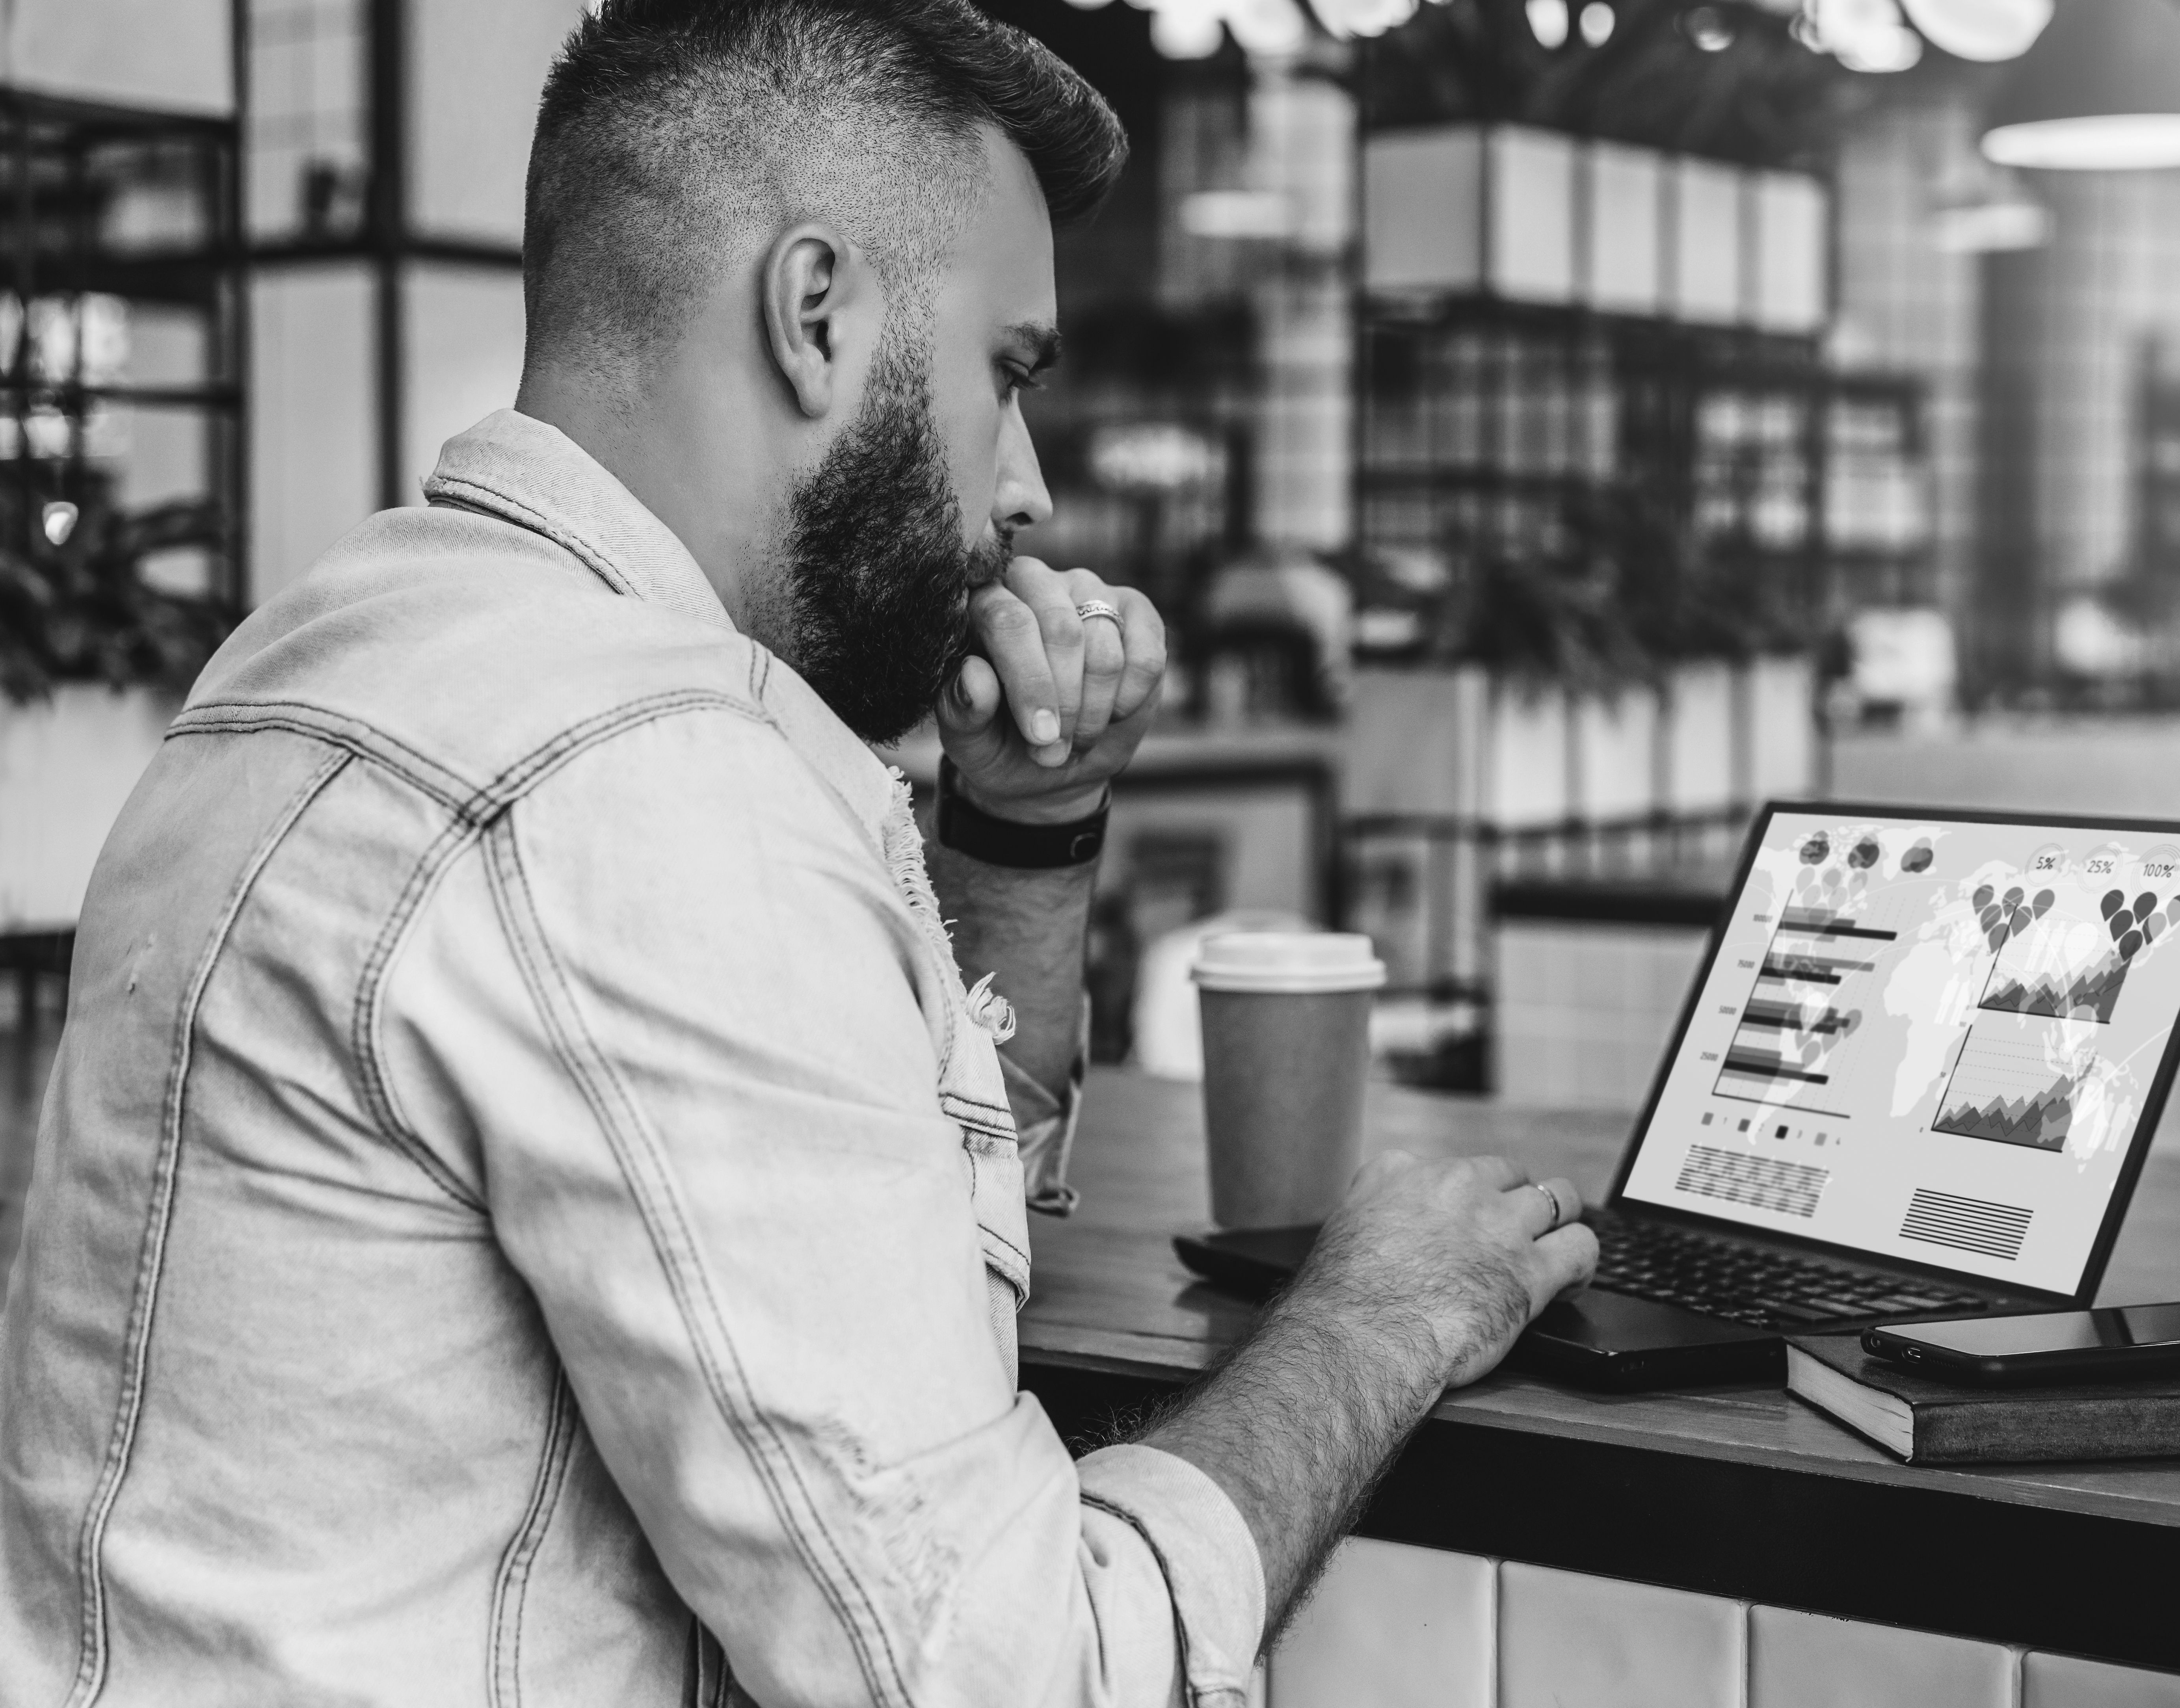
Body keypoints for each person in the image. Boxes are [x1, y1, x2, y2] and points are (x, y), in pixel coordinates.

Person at [0, 1, 1598, 1703]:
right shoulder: (643, 779)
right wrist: (1379, 1319)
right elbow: (1014, 1672)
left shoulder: (312, 657)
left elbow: (871, 1258)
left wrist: (1022, 828)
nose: (1032, 483)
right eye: (1009, 373)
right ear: (816, 314)